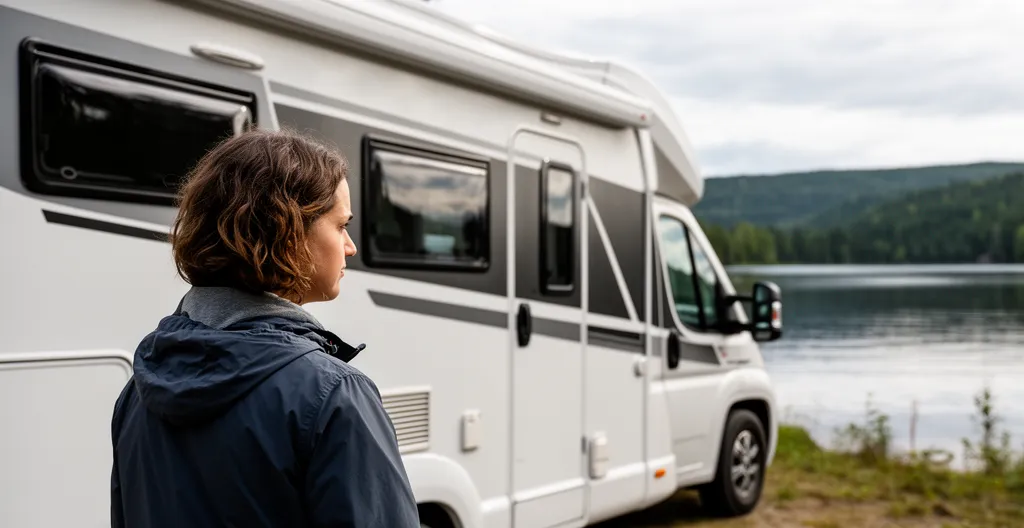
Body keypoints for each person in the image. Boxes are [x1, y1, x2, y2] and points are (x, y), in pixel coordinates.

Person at [109, 128, 420, 527]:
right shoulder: (333, 395)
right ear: (287, 232)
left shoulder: (141, 386)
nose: (350, 246)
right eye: (341, 225)